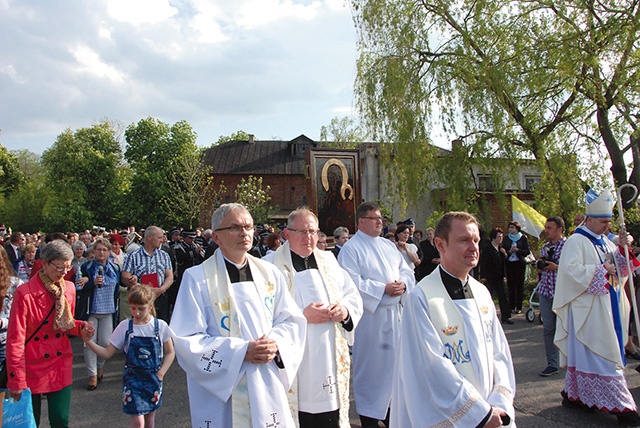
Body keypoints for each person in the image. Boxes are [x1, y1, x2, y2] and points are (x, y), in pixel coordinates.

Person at [170, 203, 306, 427]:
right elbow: (187, 340)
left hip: (265, 377)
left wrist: (276, 344)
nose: (245, 232)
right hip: (224, 389)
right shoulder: (197, 279)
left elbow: (290, 319)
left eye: (248, 226)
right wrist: (242, 352)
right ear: (216, 236)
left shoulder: (270, 274)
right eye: (235, 227)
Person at [391, 211, 516, 428]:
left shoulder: (482, 292)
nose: (473, 247)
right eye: (464, 240)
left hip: (492, 409)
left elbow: (500, 353)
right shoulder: (421, 298)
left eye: (476, 240)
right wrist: (480, 413)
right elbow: (432, 367)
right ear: (440, 244)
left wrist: (500, 400)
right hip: (455, 415)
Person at [264, 208, 363, 427]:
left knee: (330, 416)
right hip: (294, 359)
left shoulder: (328, 260)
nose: (309, 238)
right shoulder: (269, 267)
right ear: (287, 234)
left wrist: (344, 310)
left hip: (329, 356)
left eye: (313, 232)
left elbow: (352, 294)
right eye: (302, 232)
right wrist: (302, 316)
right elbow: (261, 314)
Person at [553, 190, 640, 426]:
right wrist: (602, 272)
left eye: (609, 222)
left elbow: (622, 272)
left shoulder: (605, 242)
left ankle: (577, 395)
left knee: (596, 355)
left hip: (608, 308)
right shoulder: (576, 241)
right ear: (589, 220)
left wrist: (622, 249)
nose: (606, 227)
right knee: (603, 355)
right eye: (603, 222)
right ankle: (622, 407)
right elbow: (570, 272)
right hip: (587, 312)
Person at [337, 202, 415, 427]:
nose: (380, 222)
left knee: (397, 370)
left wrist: (402, 285)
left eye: (381, 218)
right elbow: (350, 283)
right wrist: (382, 289)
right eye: (374, 218)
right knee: (373, 371)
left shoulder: (388, 246)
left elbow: (406, 271)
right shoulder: (352, 248)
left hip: (395, 316)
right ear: (361, 222)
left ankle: (394, 413)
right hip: (371, 320)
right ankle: (369, 417)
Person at [6, 240, 89, 428]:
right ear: (44, 263)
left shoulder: (68, 288)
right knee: (28, 421)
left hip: (59, 361)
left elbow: (65, 324)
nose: (64, 272)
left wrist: (81, 327)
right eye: (59, 267)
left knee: (61, 419)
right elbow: (15, 339)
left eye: (67, 267)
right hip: (31, 364)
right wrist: (16, 379)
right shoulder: (24, 293)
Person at [82, 284, 175, 428]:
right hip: (133, 379)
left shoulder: (160, 326)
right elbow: (107, 353)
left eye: (141, 308)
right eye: (133, 308)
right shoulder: (125, 326)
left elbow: (170, 352)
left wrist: (161, 373)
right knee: (138, 422)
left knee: (150, 421)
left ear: (150, 306)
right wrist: (88, 342)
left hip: (153, 379)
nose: (136, 313)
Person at [75, 237, 121, 390]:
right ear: (93, 251)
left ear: (109, 252)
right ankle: (92, 375)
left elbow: (119, 285)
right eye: (99, 249)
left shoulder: (114, 268)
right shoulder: (87, 267)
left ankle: (100, 366)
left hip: (108, 310)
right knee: (89, 344)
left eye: (104, 250)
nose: (101, 252)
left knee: (106, 343)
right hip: (91, 311)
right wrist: (91, 283)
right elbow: (78, 287)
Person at [122, 226, 174, 322]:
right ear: (149, 237)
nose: (162, 240)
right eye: (159, 238)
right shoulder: (133, 256)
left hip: (160, 297)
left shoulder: (164, 255)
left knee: (159, 325)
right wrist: (140, 287)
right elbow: (125, 277)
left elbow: (170, 277)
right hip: (141, 298)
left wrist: (160, 290)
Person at [536, 217, 566, 377]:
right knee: (548, 329)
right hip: (546, 292)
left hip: (563, 295)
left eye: (550, 228)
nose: (546, 230)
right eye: (546, 227)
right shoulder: (545, 247)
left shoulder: (568, 246)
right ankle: (552, 364)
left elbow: (573, 269)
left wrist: (558, 267)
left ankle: (570, 362)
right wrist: (539, 267)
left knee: (567, 329)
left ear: (560, 229)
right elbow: (540, 269)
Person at [479, 227, 512, 324]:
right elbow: (483, 263)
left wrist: (505, 254)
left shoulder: (501, 249)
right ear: (493, 238)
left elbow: (504, 263)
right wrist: (483, 276)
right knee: (488, 297)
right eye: (498, 237)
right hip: (490, 277)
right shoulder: (487, 249)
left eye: (501, 237)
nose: (500, 239)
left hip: (499, 276)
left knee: (503, 296)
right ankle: (484, 315)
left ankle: (505, 317)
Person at [502, 221, 530, 314]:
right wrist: (509, 251)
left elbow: (527, 251)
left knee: (519, 285)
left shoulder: (523, 238)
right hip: (510, 263)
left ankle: (519, 307)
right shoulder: (506, 238)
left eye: (512, 227)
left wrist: (518, 250)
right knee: (511, 285)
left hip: (519, 263)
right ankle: (511, 306)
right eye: (509, 227)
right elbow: (503, 249)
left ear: (517, 228)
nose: (510, 229)